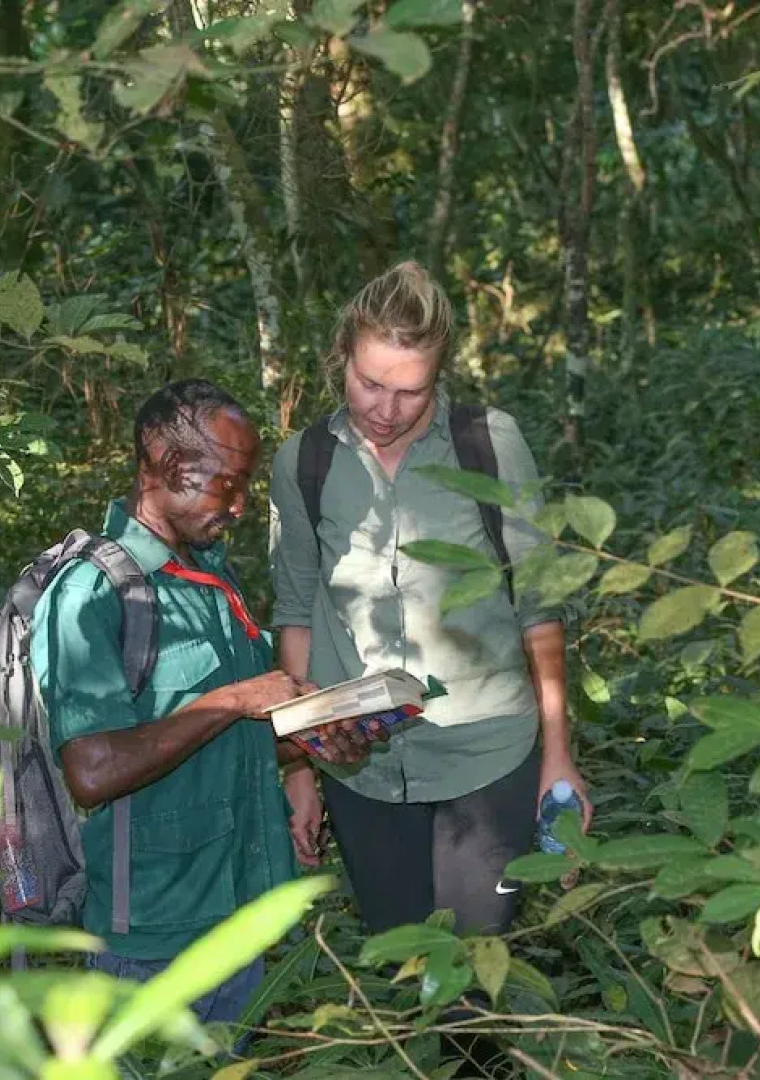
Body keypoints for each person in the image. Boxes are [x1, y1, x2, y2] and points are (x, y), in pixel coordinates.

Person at [269, 261, 594, 937]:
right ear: (341, 358)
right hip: (359, 767)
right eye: (370, 384)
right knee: (403, 963)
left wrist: (558, 757)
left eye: (409, 393)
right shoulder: (304, 462)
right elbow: (296, 607)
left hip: (488, 755)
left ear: (439, 377)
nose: (385, 411)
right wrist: (299, 763)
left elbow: (539, 606)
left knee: (474, 984)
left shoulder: (487, 444)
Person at [30, 378, 363, 1027]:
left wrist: (314, 739)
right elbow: (93, 771)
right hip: (154, 938)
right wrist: (238, 697)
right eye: (228, 483)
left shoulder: (210, 580)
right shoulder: (90, 594)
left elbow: (224, 737)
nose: (239, 506)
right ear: (172, 467)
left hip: (238, 907)